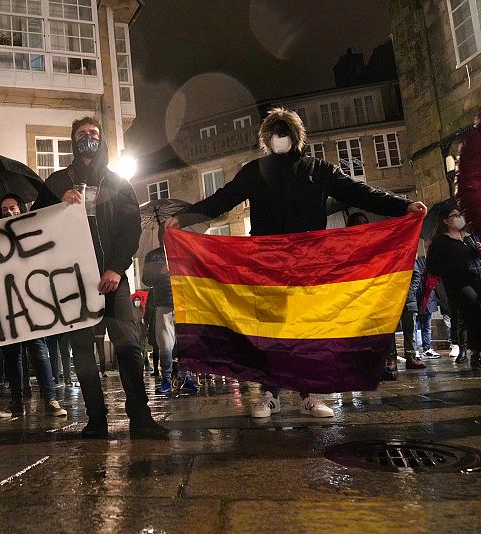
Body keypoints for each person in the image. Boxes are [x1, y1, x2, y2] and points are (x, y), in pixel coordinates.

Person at [167, 107, 427, 419]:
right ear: (266, 138)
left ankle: (310, 395)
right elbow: (221, 200)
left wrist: (403, 206)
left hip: (309, 265)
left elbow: (361, 193)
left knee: (308, 330)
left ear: (295, 136)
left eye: (284, 131)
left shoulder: (318, 170)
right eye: (274, 132)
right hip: (267, 264)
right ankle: (269, 394)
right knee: (270, 331)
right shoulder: (254, 171)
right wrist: (184, 218)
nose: (280, 138)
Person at [33, 116, 168, 439]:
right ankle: (96, 418)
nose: (88, 139)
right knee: (82, 350)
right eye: (81, 134)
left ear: (102, 140)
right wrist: (56, 204)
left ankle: (140, 416)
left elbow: (130, 229)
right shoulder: (55, 183)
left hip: (113, 280)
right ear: (72, 140)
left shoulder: (118, 182)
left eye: (93, 134)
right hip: (73, 281)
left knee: (128, 347)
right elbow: (33, 223)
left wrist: (116, 268)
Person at [0, 194, 67, 418]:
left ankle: (50, 399)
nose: (8, 212)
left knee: (39, 349)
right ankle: (16, 402)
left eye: (12, 207)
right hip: (7, 305)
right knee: (12, 355)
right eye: (4, 209)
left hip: (31, 302)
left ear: (21, 209)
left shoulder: (31, 233)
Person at [142, 224, 198, 395]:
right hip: (164, 304)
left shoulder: (184, 252)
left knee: (185, 343)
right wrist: (161, 271)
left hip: (184, 303)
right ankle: (166, 378)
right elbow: (146, 279)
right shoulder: (153, 256)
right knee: (165, 345)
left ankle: (185, 376)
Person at [426, 202, 481, 368]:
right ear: (445, 221)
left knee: (475, 316)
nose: (459, 218)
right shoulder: (440, 243)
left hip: (477, 279)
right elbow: (433, 266)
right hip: (459, 284)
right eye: (455, 216)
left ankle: (475, 351)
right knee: (474, 310)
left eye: (460, 215)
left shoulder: (469, 238)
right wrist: (455, 267)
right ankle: (474, 351)